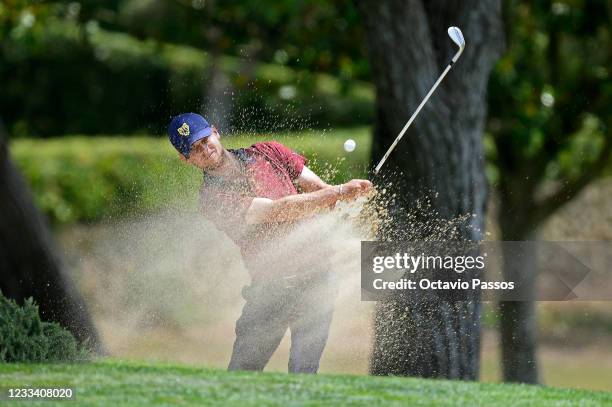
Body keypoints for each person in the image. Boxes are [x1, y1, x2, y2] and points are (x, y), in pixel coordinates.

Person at [168, 112, 372, 373]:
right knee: (242, 375)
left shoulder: (269, 151)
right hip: (269, 293)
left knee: (304, 373)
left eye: (205, 140)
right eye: (194, 150)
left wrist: (341, 197)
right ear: (185, 159)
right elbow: (278, 210)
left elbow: (318, 188)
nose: (205, 150)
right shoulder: (212, 199)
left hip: (318, 280)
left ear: (215, 132)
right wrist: (339, 192)